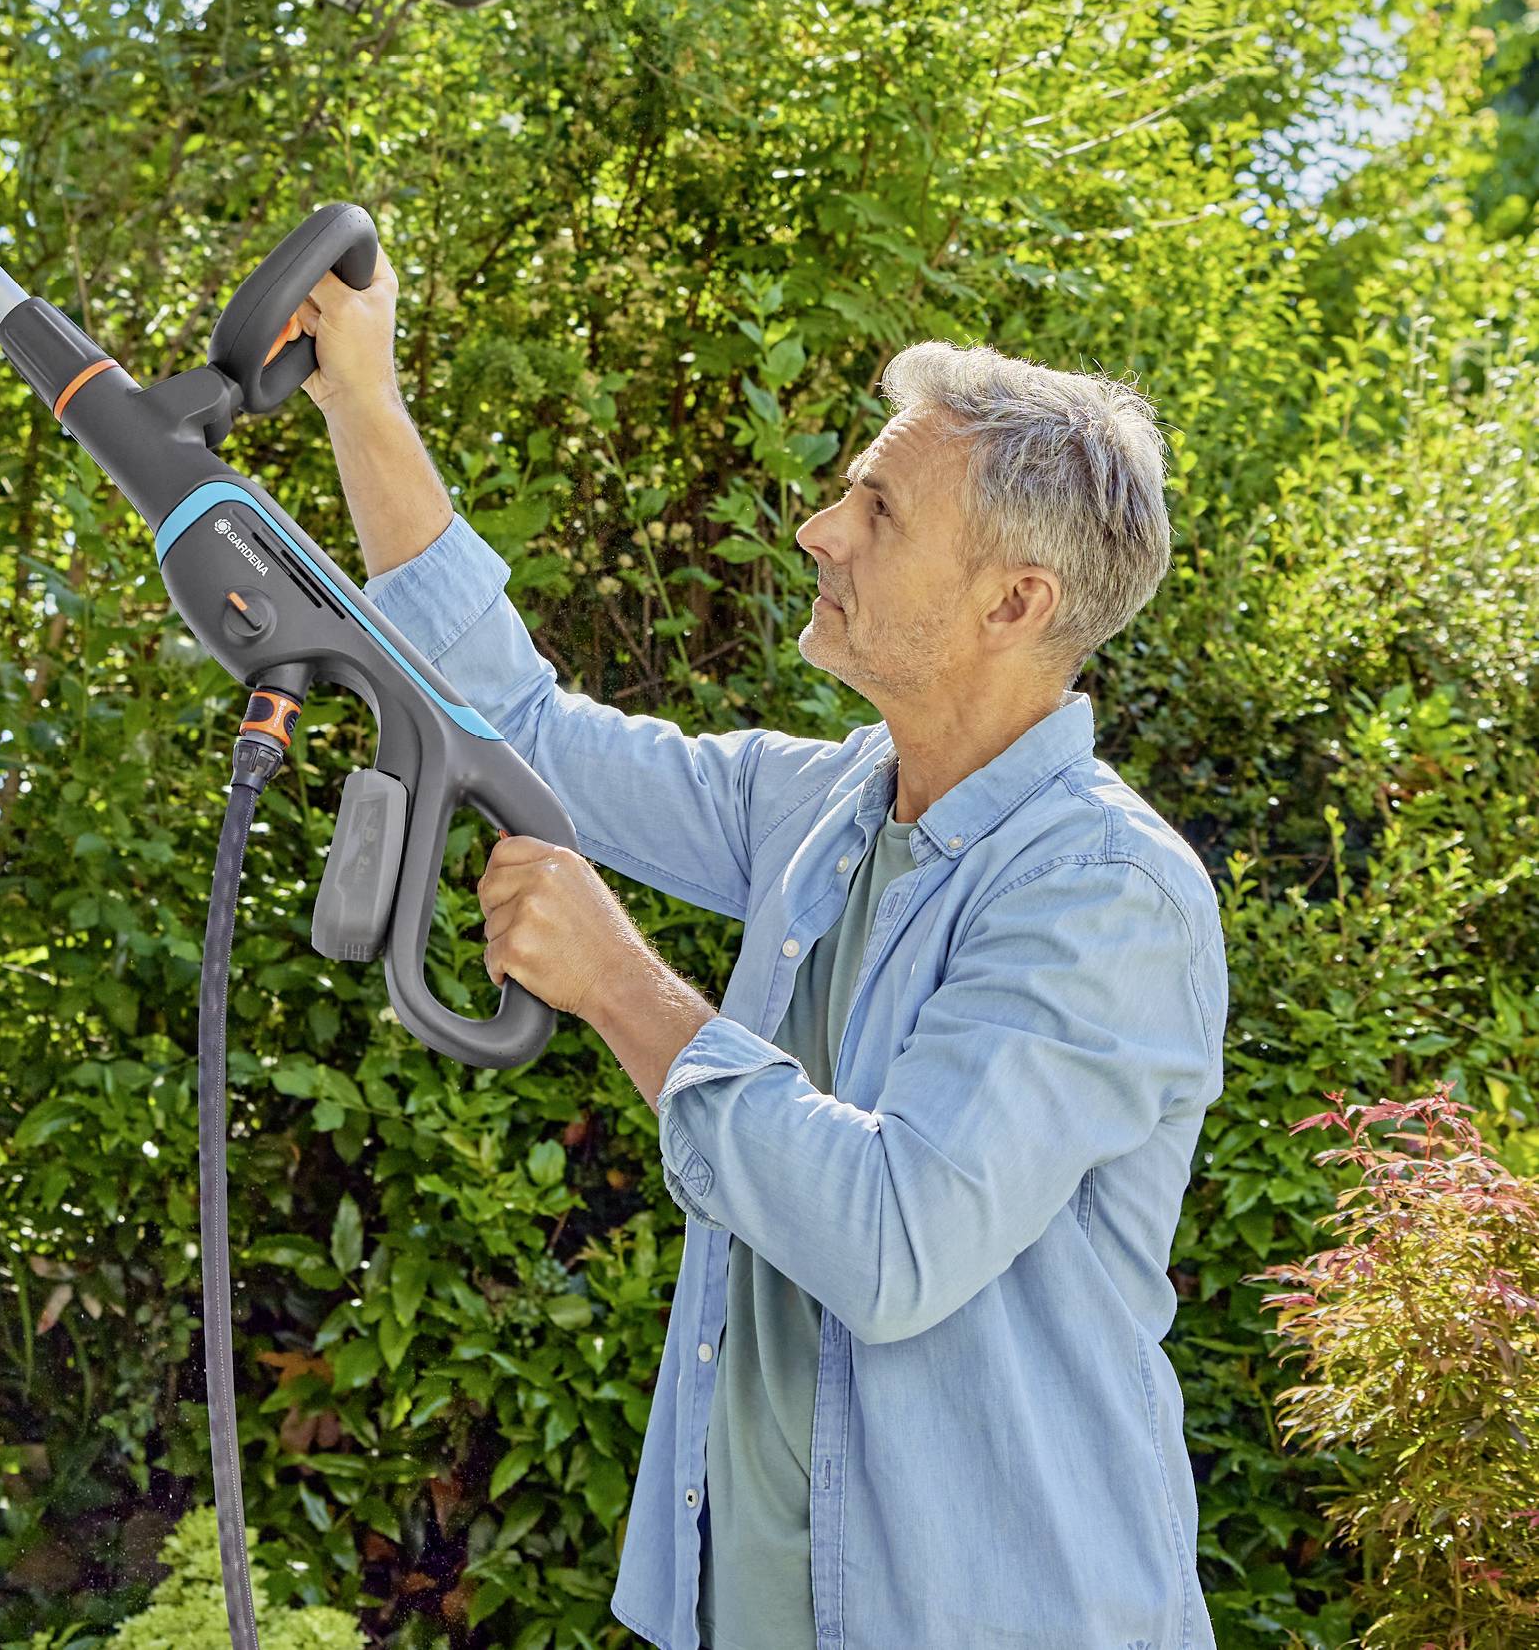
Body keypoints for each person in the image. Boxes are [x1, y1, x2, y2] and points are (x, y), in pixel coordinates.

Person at [292, 258, 1226, 1650]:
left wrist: (620, 986)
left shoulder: (1105, 894)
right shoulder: (828, 808)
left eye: (879, 510)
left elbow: (897, 1236)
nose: (816, 528)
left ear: (1013, 604)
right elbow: (519, 728)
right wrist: (363, 396)